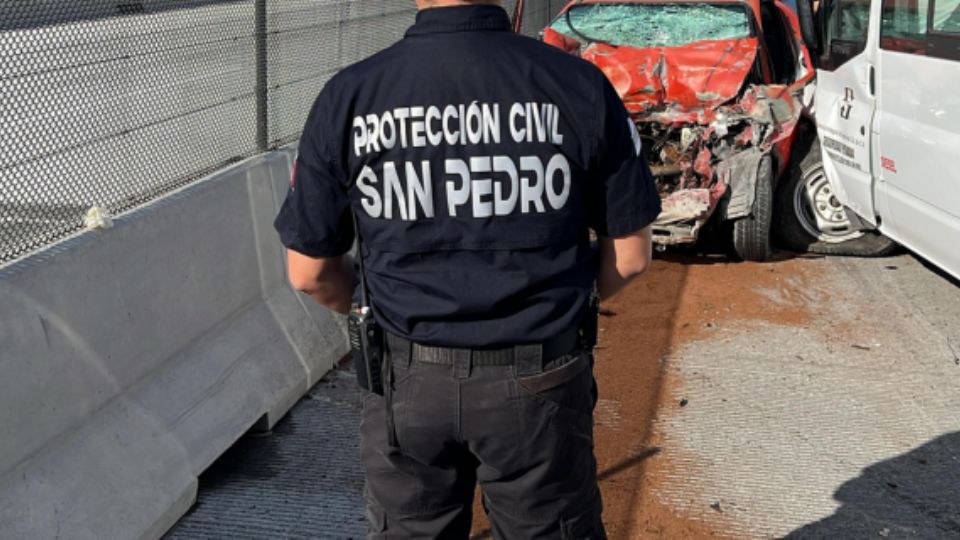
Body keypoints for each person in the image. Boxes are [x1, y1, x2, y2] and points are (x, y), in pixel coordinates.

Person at [273, 0, 660, 537]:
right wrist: (558, 305)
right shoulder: (578, 85)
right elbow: (631, 256)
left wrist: (375, 311)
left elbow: (308, 273)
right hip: (540, 378)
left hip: (404, 380)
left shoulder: (351, 95)